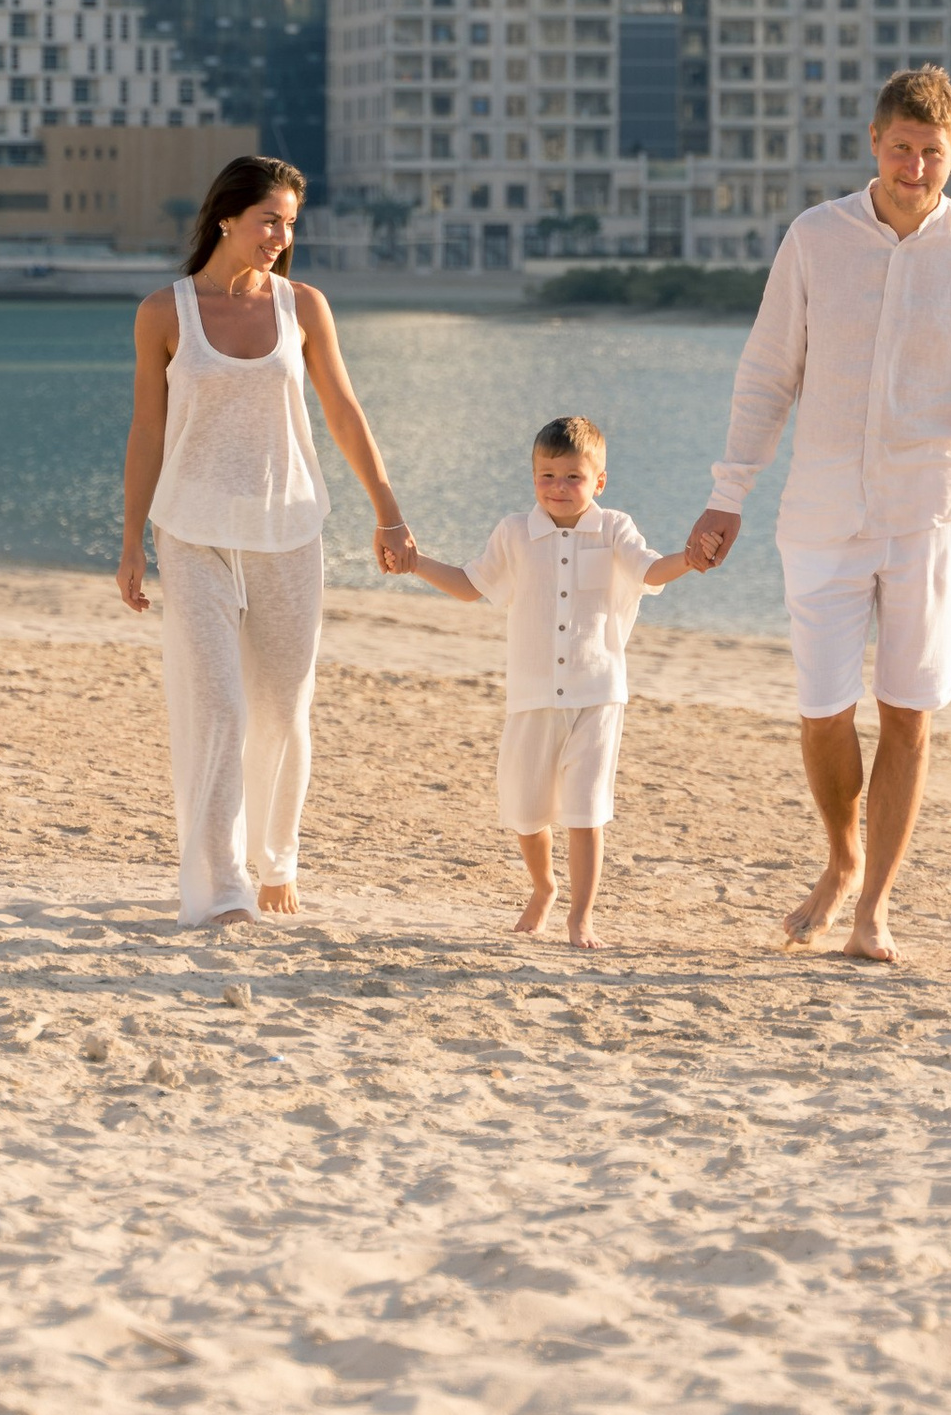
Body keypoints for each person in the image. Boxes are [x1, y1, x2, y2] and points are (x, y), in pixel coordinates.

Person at [683, 63, 951, 966]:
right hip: (823, 510)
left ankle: (873, 904)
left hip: (932, 513)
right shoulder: (815, 237)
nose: (916, 168)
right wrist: (728, 493)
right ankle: (841, 859)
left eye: (934, 154)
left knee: (908, 712)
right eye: (902, 149)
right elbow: (768, 373)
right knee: (822, 708)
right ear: (874, 143)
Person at [116, 153, 414, 929]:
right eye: (268, 220)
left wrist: (386, 509)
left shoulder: (303, 306)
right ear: (226, 217)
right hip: (193, 532)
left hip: (288, 530)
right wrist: (131, 540)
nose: (280, 236)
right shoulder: (164, 314)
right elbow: (147, 429)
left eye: (289, 224)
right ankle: (223, 887)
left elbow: (343, 410)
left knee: (282, 709)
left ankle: (275, 858)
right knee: (218, 707)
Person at [402, 412, 693, 949]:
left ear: (599, 481)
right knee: (525, 808)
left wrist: (691, 560)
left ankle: (582, 917)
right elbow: (469, 585)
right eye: (547, 476)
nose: (558, 487)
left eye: (573, 477)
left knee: (586, 809)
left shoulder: (615, 528)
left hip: (597, 693)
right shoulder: (515, 532)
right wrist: (414, 563)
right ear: (533, 476)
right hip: (532, 695)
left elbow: (650, 572)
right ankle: (544, 887)